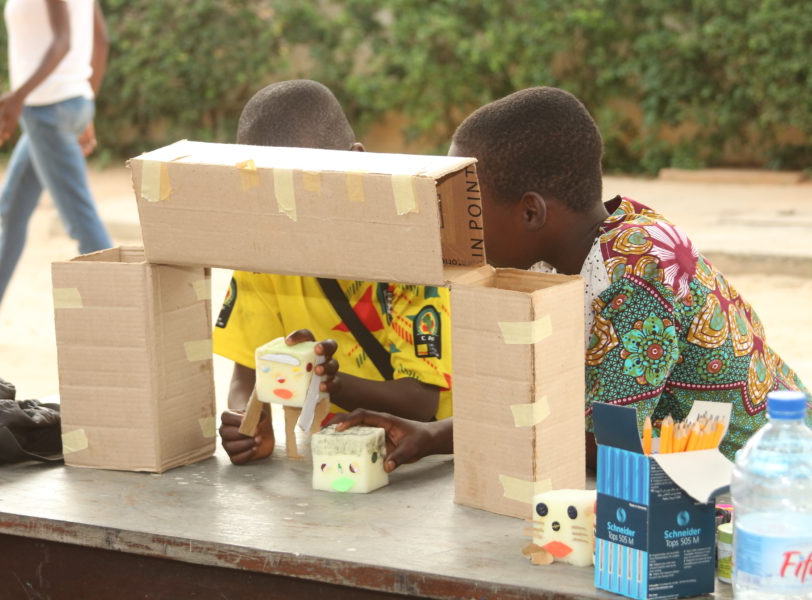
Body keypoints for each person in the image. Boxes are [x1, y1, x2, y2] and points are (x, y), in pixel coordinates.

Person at [334, 86, 809, 467]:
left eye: (467, 207)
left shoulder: (639, 273)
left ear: (530, 212)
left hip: (767, 487)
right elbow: (545, 407)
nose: (453, 224)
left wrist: (450, 437)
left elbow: (604, 443)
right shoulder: (562, 259)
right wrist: (432, 434)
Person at [215, 80, 453, 465]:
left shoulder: (407, 249)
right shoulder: (264, 253)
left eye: (305, 184)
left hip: (425, 458)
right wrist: (246, 418)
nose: (287, 205)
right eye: (267, 188)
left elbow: (422, 402)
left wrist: (329, 381)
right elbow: (248, 367)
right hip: (330, 459)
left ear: (356, 160)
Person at [0, 0, 112, 342]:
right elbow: (101, 40)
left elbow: (62, 42)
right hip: (65, 105)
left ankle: (126, 320)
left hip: (48, 111)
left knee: (81, 223)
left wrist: (17, 99)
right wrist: (84, 103)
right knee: (13, 205)